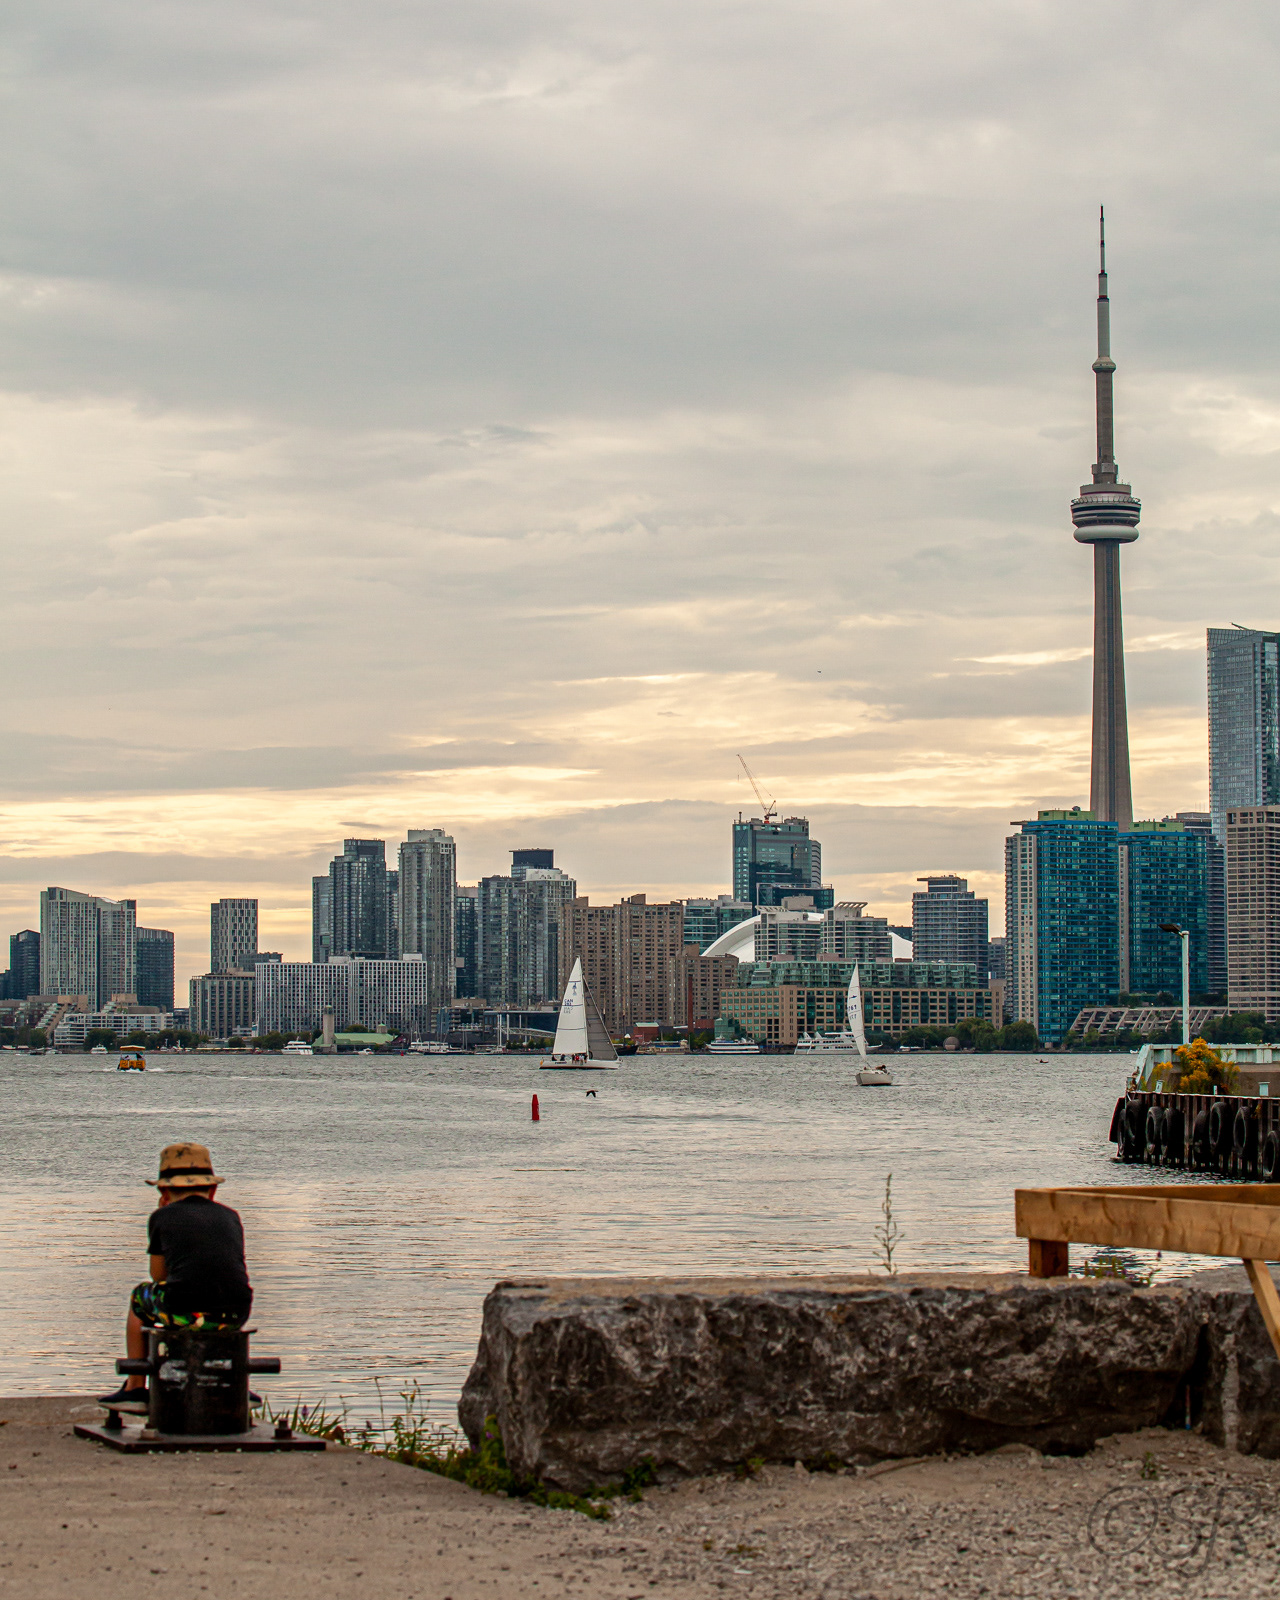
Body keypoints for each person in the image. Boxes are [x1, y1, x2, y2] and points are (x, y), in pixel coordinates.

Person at [98, 1141, 253, 1406]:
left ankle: (135, 1384)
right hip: (236, 1313)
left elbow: (158, 1276)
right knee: (217, 1296)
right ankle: (235, 1382)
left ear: (164, 1190)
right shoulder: (231, 1216)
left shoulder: (162, 1217)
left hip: (182, 1310)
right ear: (213, 1189)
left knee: (139, 1298)